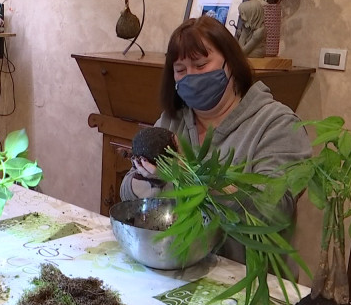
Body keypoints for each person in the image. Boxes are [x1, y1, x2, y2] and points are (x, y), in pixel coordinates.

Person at [120, 16, 311, 264]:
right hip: (177, 264)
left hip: (247, 278)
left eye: (200, 65)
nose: (190, 77)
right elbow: (128, 192)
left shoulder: (278, 124)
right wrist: (150, 181)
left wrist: (190, 173)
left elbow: (273, 211)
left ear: (230, 64)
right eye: (180, 70)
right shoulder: (172, 121)